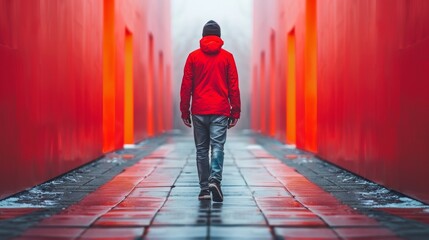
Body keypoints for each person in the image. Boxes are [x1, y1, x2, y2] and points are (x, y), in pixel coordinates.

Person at [180, 20, 241, 202]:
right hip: (220, 110)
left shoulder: (193, 57)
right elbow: (233, 86)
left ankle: (204, 189)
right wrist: (235, 111)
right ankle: (215, 179)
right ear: (219, 36)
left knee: (201, 150)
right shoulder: (227, 57)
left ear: (203, 36)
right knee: (217, 147)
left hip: (199, 110)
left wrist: (185, 111)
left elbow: (186, 86)